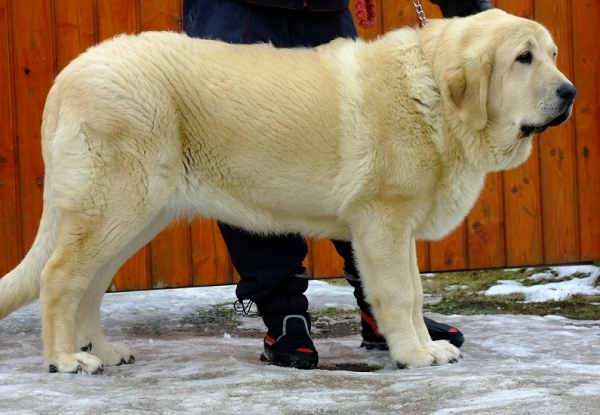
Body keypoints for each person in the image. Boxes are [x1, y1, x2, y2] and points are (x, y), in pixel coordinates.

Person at [183, 0, 492, 369]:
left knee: (369, 168)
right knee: (247, 158)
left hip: (321, 11)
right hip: (237, 12)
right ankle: (284, 315)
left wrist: (469, 6)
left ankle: (385, 314)